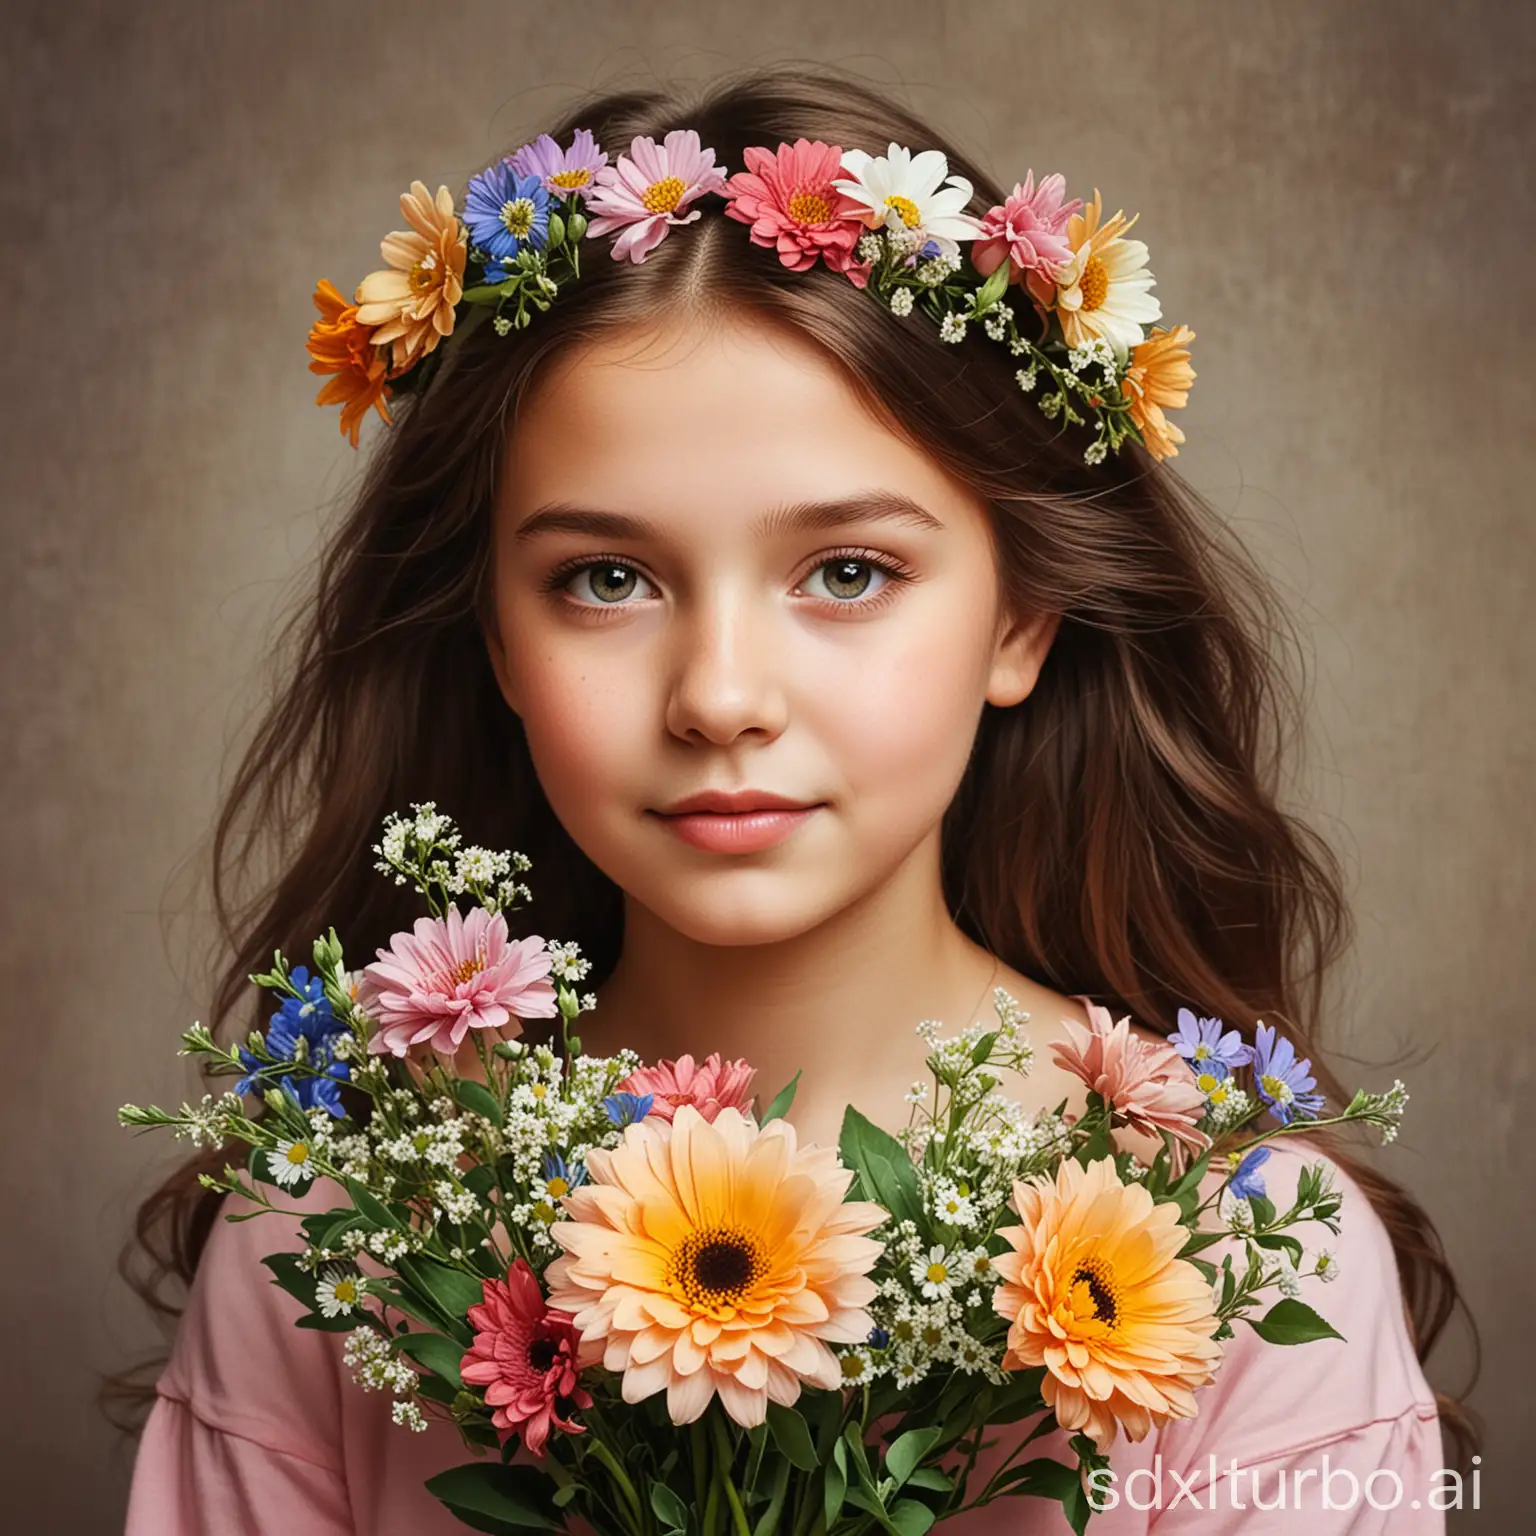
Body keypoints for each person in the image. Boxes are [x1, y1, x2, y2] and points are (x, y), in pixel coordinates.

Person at [114, 64, 1475, 1533]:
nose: (719, 695)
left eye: (847, 573)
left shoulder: (1249, 1249)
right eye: (607, 579)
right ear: (498, 639)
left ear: (1022, 620)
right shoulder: (340, 1242)